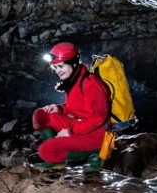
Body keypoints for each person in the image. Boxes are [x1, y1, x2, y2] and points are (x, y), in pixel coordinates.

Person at [29, 41, 109, 169]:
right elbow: (77, 107)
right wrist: (59, 108)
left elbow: (98, 118)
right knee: (42, 115)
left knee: (45, 151)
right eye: (55, 68)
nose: (57, 71)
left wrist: (70, 132)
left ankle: (95, 153)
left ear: (73, 63)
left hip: (95, 135)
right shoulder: (72, 81)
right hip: (79, 125)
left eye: (60, 66)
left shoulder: (91, 83)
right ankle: (57, 153)